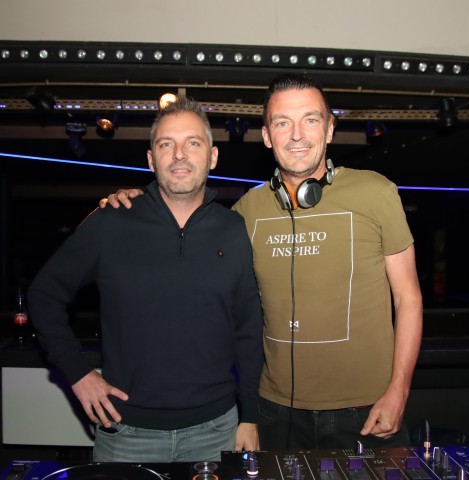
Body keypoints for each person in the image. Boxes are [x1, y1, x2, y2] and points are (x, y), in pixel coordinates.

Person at [101, 73, 423, 450]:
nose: (297, 135)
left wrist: (399, 391)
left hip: (365, 409)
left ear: (330, 128)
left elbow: (409, 299)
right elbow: (182, 244)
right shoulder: (246, 211)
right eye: (283, 123)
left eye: (311, 119)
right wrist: (133, 204)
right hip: (274, 412)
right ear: (268, 136)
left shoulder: (376, 193)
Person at [27, 96, 264, 463]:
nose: (180, 154)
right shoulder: (111, 222)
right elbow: (44, 295)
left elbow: (249, 331)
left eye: (193, 143)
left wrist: (250, 415)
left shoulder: (235, 230)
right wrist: (77, 373)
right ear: (152, 160)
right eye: (166, 144)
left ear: (213, 157)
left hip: (217, 431)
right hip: (125, 434)